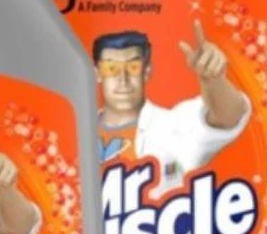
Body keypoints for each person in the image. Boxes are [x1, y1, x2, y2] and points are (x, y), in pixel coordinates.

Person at [94, 19, 250, 192]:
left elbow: (228, 117)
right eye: (111, 68)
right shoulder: (78, 133)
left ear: (147, 71)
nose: (123, 79)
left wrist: (214, 81)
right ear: (97, 74)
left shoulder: (173, 127)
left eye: (133, 67)